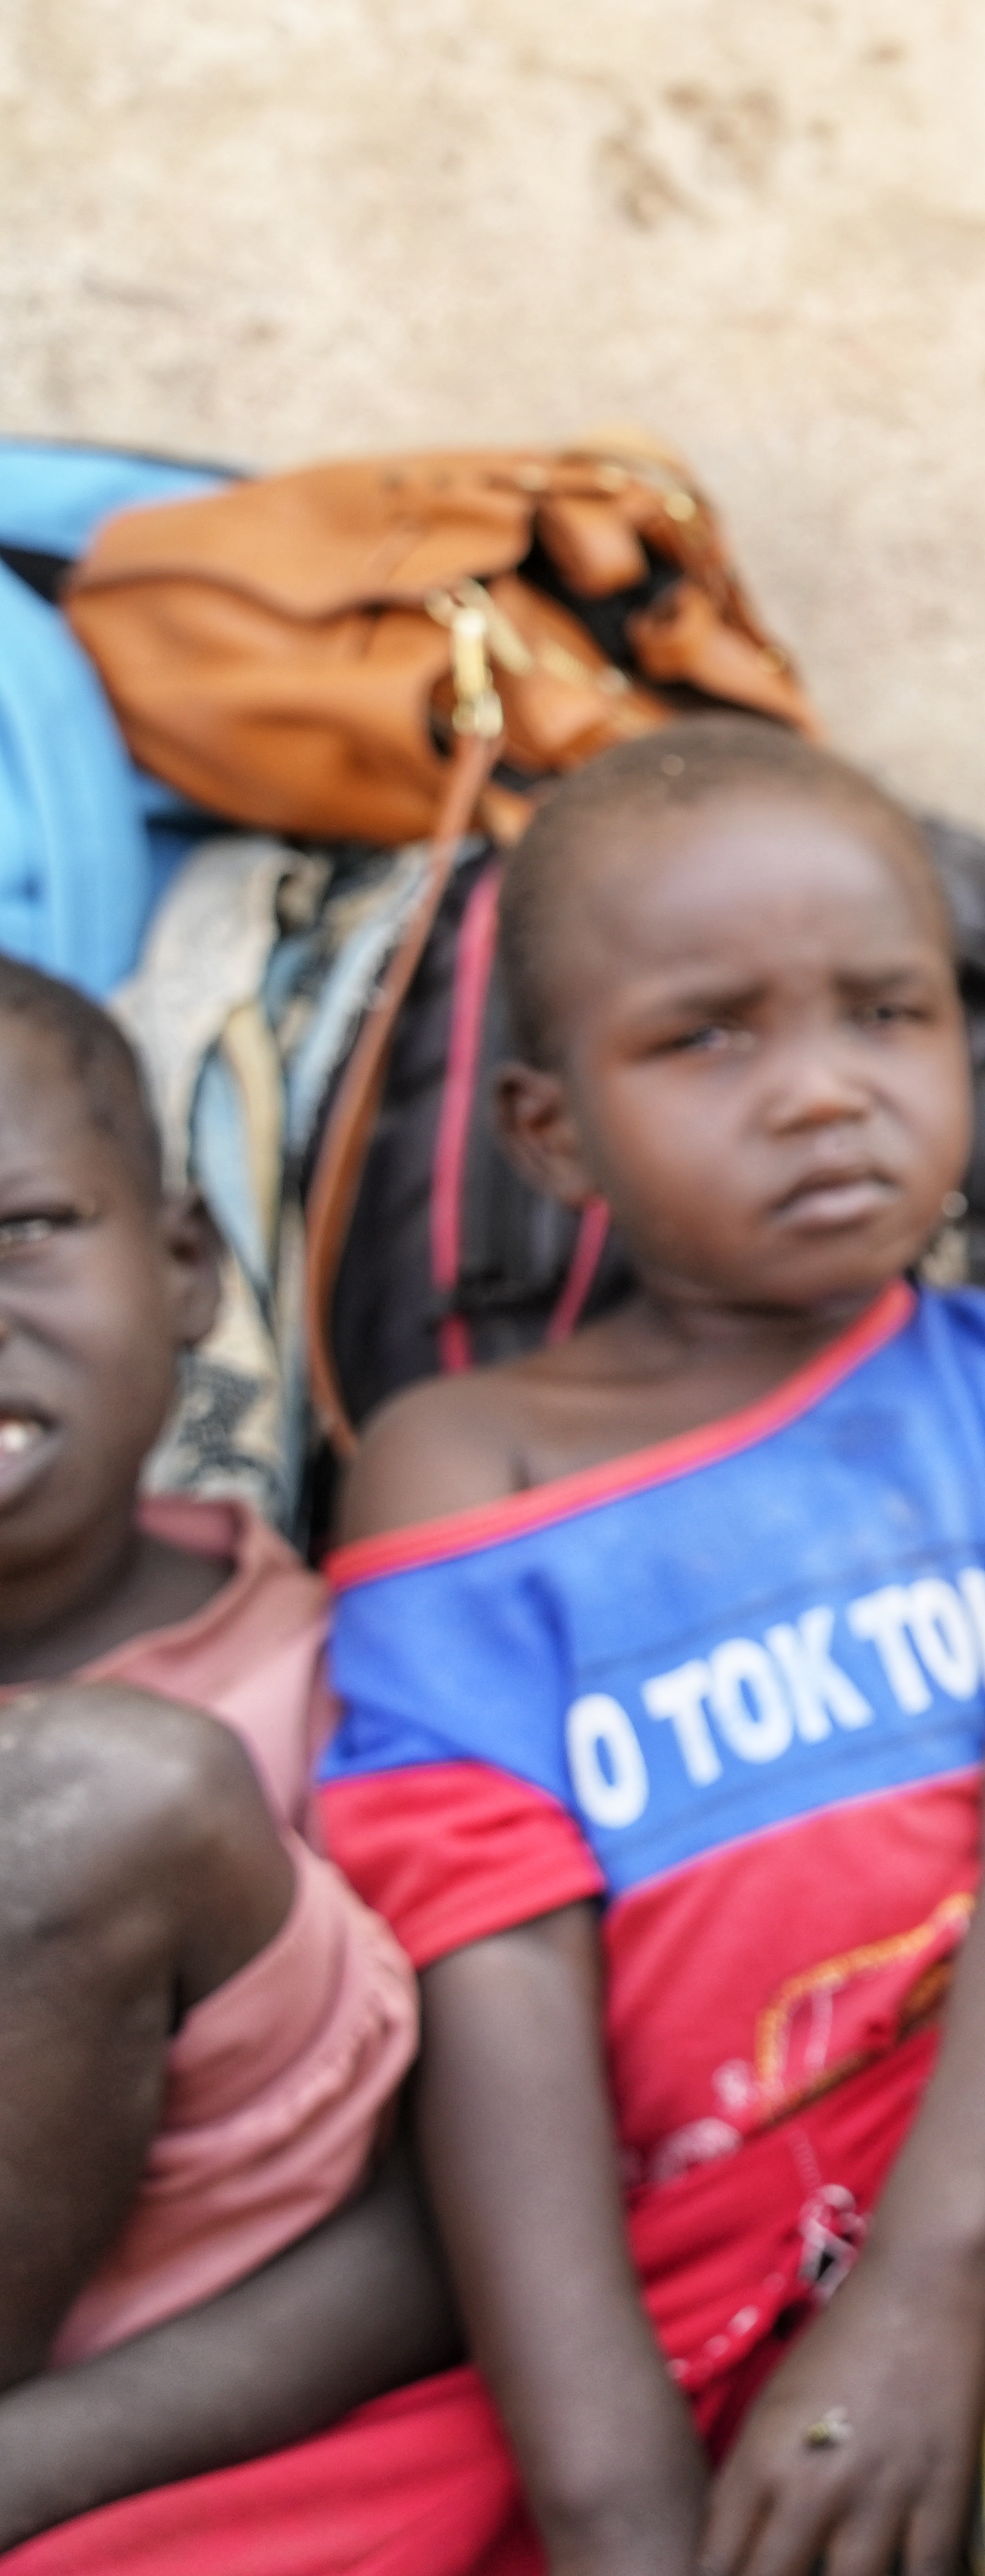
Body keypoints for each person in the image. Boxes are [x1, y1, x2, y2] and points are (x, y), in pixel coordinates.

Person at [30, 720, 985, 2576]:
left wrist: (917, 2306)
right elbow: (494, 1968)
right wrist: (612, 2502)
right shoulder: (463, 1465)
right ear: (551, 1135)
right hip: (640, 2311)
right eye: (707, 1036)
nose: (821, 1093)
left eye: (886, 1014)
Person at [0, 963, 452, 2555]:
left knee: (103, 1800)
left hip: (168, 2470)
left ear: (186, 1261)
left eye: (22, 1230)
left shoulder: (356, 1685)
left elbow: (443, 2227)